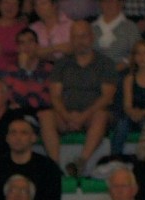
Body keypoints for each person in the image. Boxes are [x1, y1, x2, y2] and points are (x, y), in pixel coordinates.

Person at [45, 21, 118, 175]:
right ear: (71, 39)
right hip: (65, 115)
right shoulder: (61, 64)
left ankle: (81, 162)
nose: (79, 41)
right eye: (75, 37)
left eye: (83, 36)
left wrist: (83, 116)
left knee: (101, 115)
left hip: (93, 115)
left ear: (92, 37)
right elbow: (55, 96)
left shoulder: (106, 63)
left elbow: (107, 97)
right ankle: (53, 166)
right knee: (45, 116)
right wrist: (67, 116)